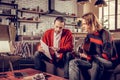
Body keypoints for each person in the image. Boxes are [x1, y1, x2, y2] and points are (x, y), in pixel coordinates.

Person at [69, 12, 118, 80]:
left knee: (96, 62)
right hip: (93, 60)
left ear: (92, 23)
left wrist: (88, 57)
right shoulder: (89, 35)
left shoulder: (106, 34)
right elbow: (86, 51)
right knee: (73, 62)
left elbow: (106, 56)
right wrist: (80, 51)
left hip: (108, 62)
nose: (82, 26)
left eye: (84, 24)